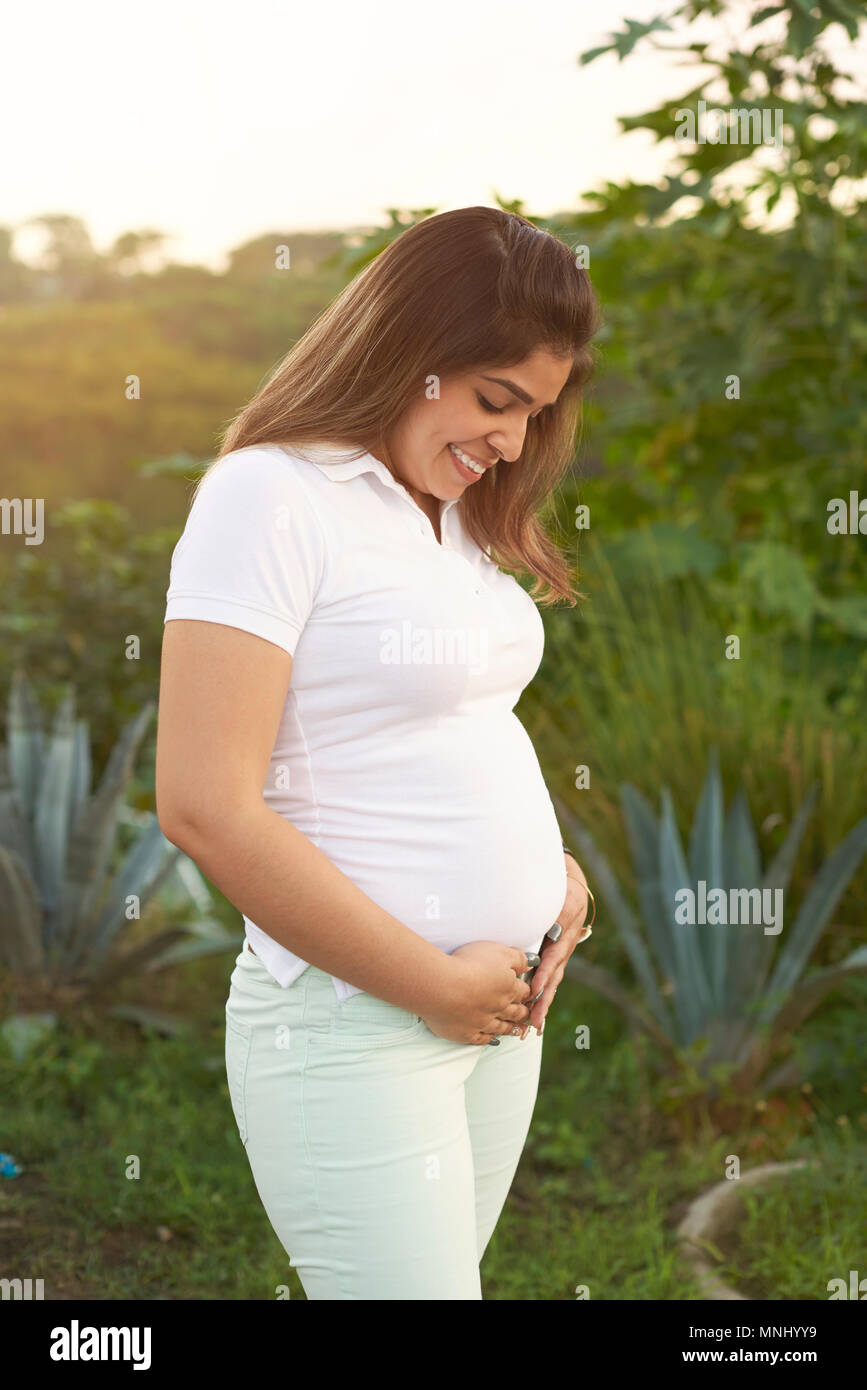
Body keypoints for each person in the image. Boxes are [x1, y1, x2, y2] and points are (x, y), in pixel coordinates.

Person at [155, 205, 600, 1299]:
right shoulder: (271, 496)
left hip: (494, 1016)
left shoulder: (450, 516)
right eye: (498, 400)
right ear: (411, 349)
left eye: (534, 413)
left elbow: (451, 721)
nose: (511, 440)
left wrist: (555, 879)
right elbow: (205, 804)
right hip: (359, 1020)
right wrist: (431, 981)